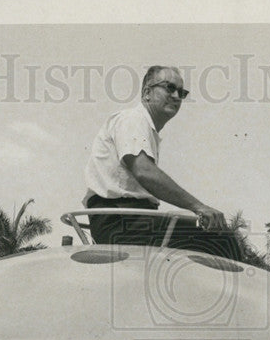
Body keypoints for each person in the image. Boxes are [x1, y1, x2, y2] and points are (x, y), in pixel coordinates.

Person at [82, 65, 242, 261]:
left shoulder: (147, 129)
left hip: (132, 220)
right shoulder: (133, 119)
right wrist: (199, 207)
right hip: (121, 222)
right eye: (169, 88)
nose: (176, 96)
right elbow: (144, 172)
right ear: (147, 92)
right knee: (221, 240)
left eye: (182, 92)